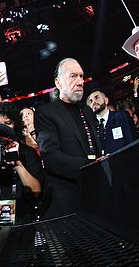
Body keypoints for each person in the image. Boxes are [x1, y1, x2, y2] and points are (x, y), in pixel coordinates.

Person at [35, 58, 102, 219]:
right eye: (73, 76)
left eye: (81, 76)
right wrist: (90, 167)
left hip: (98, 196)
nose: (80, 82)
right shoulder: (46, 113)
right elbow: (51, 158)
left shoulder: (87, 111)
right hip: (69, 203)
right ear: (58, 83)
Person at [86, 89, 135, 154]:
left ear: (106, 101)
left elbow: (131, 140)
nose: (93, 102)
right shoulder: (92, 127)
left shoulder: (121, 116)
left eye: (97, 98)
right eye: (91, 101)